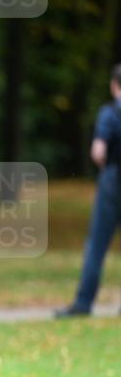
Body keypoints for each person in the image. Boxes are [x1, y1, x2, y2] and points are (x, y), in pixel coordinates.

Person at [55, 63, 121, 318]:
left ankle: (83, 303)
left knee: (97, 244)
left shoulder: (109, 113)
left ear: (113, 85)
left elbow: (98, 152)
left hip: (113, 179)